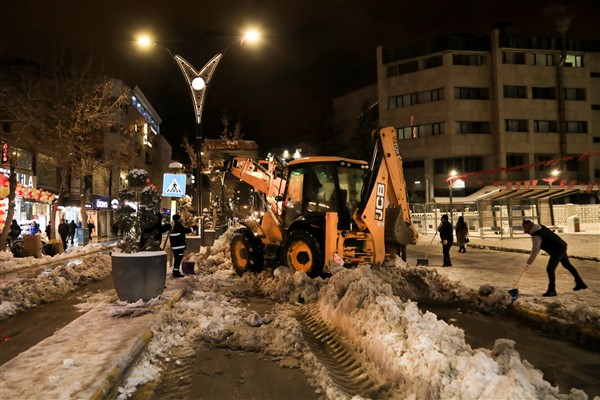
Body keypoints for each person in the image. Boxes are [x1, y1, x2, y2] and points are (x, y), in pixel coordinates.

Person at [522, 220, 587, 297]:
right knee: (567, 265)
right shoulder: (540, 227)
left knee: (550, 269)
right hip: (561, 245)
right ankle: (580, 283)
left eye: (525, 228)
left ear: (530, 226)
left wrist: (529, 263)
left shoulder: (536, 235)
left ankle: (552, 290)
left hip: (557, 250)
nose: (524, 230)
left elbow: (535, 250)